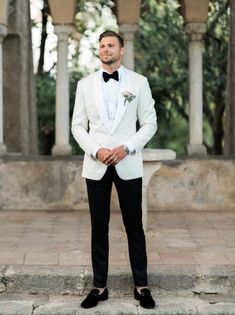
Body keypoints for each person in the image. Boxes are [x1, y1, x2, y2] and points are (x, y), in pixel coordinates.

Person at [71, 30, 157, 309]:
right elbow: (77, 127)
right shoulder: (84, 85)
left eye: (111, 45)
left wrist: (126, 148)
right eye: (102, 46)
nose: (106, 49)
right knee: (99, 227)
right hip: (96, 165)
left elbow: (149, 124)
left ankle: (141, 287)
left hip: (128, 163)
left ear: (122, 50)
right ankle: (99, 287)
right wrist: (98, 150)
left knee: (134, 227)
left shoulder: (139, 82)